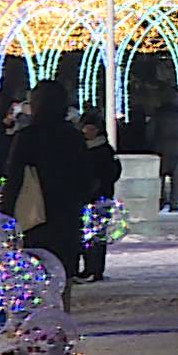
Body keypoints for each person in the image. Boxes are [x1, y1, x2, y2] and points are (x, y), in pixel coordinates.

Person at [1, 80, 92, 312]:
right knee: (62, 274)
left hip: (35, 215)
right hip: (67, 214)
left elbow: (14, 179)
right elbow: (86, 177)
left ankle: (33, 332)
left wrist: (5, 214)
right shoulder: (73, 137)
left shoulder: (28, 136)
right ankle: (59, 326)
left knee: (33, 274)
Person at [77, 115, 123, 283]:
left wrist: (99, 185)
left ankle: (95, 269)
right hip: (85, 197)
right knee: (85, 235)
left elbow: (112, 172)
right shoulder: (81, 148)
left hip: (99, 198)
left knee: (96, 235)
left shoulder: (104, 150)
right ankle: (88, 267)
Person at [150, 97, 178, 213]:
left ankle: (161, 200)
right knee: (177, 179)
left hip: (161, 148)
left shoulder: (158, 114)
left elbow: (150, 131)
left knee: (159, 177)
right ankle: (174, 203)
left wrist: (153, 144)